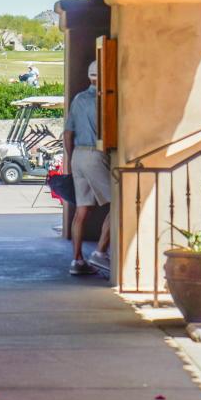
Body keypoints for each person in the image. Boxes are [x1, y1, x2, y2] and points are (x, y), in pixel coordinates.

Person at [63, 60, 111, 276]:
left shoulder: (78, 99)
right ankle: (100, 251)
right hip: (94, 153)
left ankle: (77, 260)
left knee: (82, 210)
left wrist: (71, 158)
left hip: (78, 155)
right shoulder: (103, 100)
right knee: (119, 204)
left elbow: (67, 133)